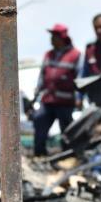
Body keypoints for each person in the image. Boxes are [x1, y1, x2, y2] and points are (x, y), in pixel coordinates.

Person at [33, 24, 81, 157]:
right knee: (39, 120)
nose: (52, 39)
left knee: (67, 130)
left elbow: (80, 78)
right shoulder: (49, 54)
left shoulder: (75, 55)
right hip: (48, 99)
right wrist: (37, 92)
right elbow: (42, 75)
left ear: (61, 38)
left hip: (65, 101)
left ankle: (68, 156)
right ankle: (39, 154)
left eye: (54, 36)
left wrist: (79, 98)